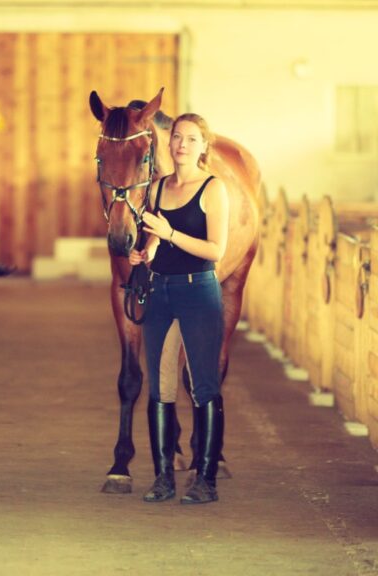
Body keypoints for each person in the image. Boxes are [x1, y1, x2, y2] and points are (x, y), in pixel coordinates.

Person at [129, 113, 229, 504]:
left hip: (198, 290)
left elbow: (215, 251)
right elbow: (157, 243)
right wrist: (146, 253)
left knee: (203, 384)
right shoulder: (156, 188)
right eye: (176, 137)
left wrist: (171, 233)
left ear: (204, 145)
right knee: (160, 384)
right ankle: (162, 477)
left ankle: (205, 479)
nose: (181, 144)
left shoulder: (212, 188)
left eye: (190, 138)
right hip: (161, 291)